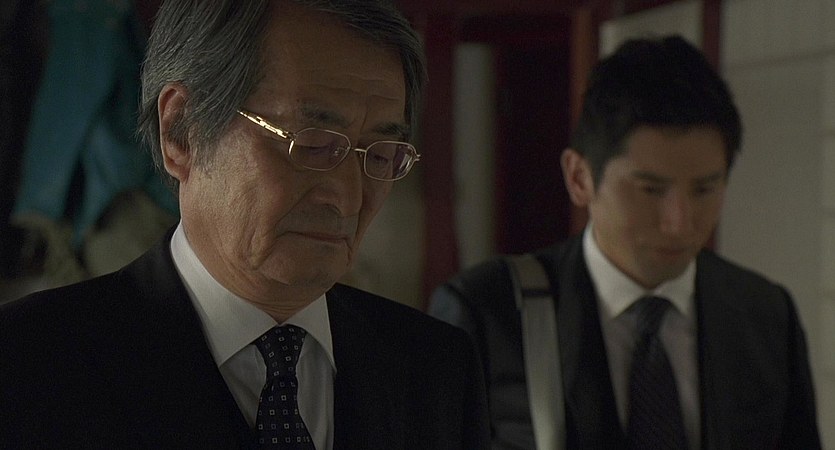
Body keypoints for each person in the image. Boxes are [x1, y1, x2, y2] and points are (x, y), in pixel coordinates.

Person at [0, 1, 490, 448]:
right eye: (312, 143)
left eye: (379, 155)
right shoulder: (30, 363)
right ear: (182, 132)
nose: (348, 196)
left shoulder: (434, 367)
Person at [430, 36, 821, 449]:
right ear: (579, 178)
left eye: (705, 189)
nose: (679, 223)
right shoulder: (487, 313)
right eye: (651, 190)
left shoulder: (764, 315)